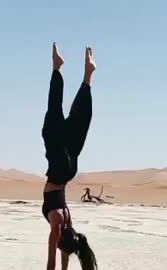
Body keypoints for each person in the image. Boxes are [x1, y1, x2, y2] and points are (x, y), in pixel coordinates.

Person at [42, 43, 98, 270]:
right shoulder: (57, 224)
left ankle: (87, 76)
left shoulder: (67, 219)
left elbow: (63, 259)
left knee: (78, 123)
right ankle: (57, 68)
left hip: (68, 169)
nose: (56, 248)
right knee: (52, 118)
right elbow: (51, 264)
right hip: (57, 168)